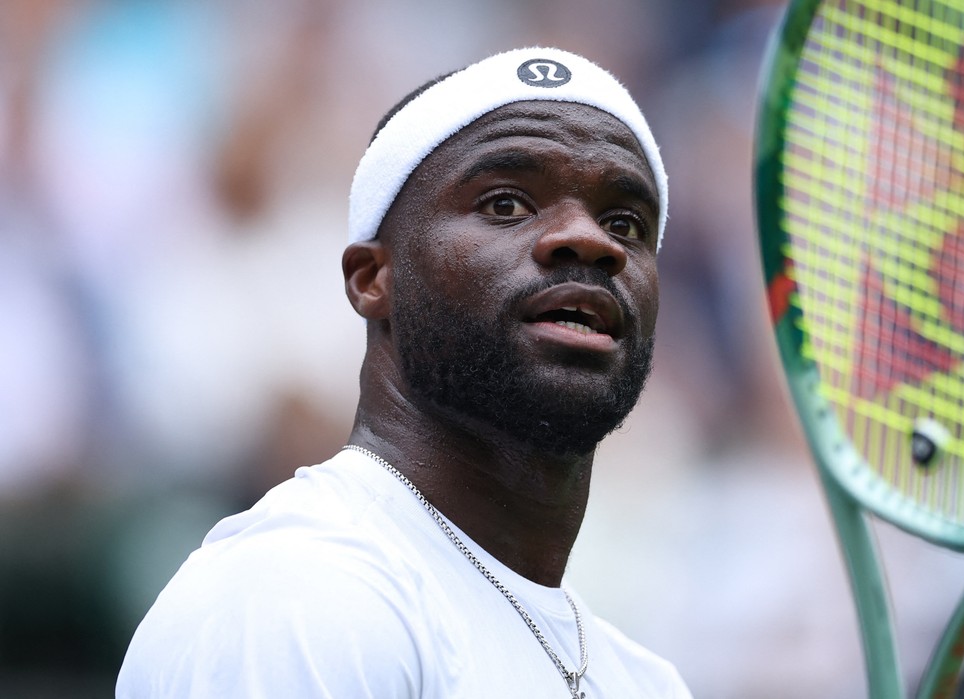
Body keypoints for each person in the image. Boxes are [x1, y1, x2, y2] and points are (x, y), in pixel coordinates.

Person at [116, 46, 692, 698]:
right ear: (372, 279)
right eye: (505, 204)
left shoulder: (648, 682)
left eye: (625, 222)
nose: (591, 240)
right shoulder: (298, 594)